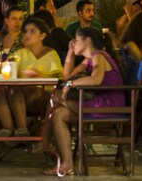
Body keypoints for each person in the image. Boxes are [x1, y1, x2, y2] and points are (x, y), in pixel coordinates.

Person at [37, 27, 125, 176]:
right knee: (58, 112)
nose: (73, 42)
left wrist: (70, 85)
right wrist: (71, 52)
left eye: (76, 40)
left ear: (87, 41)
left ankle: (46, 142)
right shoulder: (89, 59)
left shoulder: (99, 55)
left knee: (56, 99)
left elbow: (96, 79)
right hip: (99, 103)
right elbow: (67, 76)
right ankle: (63, 160)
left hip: (108, 104)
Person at [0, 18, 63, 140]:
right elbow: (2, 72)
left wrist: (40, 76)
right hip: (19, 96)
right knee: (5, 88)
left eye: (32, 31)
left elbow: (59, 78)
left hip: (43, 97)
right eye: (25, 31)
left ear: (42, 35)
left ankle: (16, 131)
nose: (27, 35)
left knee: (16, 89)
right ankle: (20, 129)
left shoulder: (51, 54)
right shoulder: (20, 54)